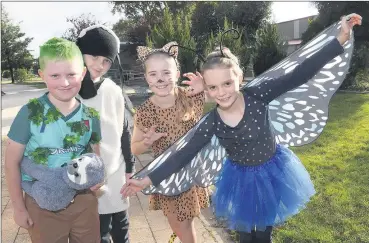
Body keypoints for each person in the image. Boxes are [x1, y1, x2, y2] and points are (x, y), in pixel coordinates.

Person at [121, 14, 362, 243]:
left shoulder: (259, 94)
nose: (221, 92)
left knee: (264, 233)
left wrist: (339, 39)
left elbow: (299, 72)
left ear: (240, 78)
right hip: (241, 180)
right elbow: (181, 153)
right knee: (246, 235)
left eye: (227, 83)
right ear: (206, 89)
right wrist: (146, 179)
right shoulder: (212, 121)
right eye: (213, 88)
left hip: (273, 172)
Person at [5, 37, 102, 243]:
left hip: (83, 201)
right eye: (55, 75)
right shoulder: (30, 113)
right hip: (42, 203)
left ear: (83, 73)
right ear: (42, 75)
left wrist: (96, 179)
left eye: (71, 74)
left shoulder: (90, 116)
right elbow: (11, 162)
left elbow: (94, 153)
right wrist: (19, 208)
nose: (64, 82)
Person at [131, 42, 210, 243]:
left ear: (177, 74)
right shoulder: (145, 111)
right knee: (174, 221)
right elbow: (135, 148)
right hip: (165, 174)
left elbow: (222, 95)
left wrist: (204, 87)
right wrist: (146, 142)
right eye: (153, 74)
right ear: (147, 78)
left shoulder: (190, 97)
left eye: (166, 72)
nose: (160, 79)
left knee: (185, 223)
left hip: (191, 172)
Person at [76, 25, 136, 243]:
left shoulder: (112, 90)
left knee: (121, 227)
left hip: (115, 169)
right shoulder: (69, 91)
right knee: (97, 232)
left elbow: (124, 131)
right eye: (93, 56)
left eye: (106, 61)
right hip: (85, 178)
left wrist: (130, 167)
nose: (99, 65)